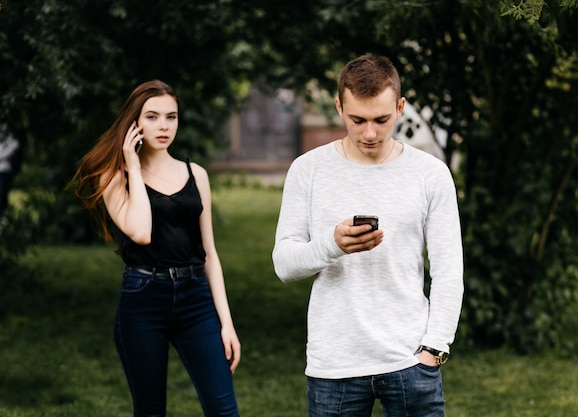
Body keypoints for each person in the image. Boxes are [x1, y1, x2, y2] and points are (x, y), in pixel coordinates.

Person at [272, 55, 464, 417]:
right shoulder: (308, 170)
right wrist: (332, 244)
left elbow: (449, 270)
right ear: (339, 106)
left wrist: (434, 349)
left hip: (410, 362)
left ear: (400, 106)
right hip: (335, 365)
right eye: (357, 120)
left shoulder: (430, 174)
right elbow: (283, 264)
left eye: (382, 119)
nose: (370, 133)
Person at [71, 80, 240, 417]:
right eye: (152, 116)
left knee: (224, 411)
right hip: (144, 300)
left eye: (171, 117)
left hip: (196, 299)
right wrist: (133, 167)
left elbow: (209, 253)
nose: (164, 126)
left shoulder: (197, 174)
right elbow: (142, 232)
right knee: (150, 412)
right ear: (135, 123)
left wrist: (226, 322)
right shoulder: (114, 177)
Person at [0, 123, 20, 216]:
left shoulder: (12, 140)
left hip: (4, 171)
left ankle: (4, 215)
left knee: (2, 195)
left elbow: (14, 146)